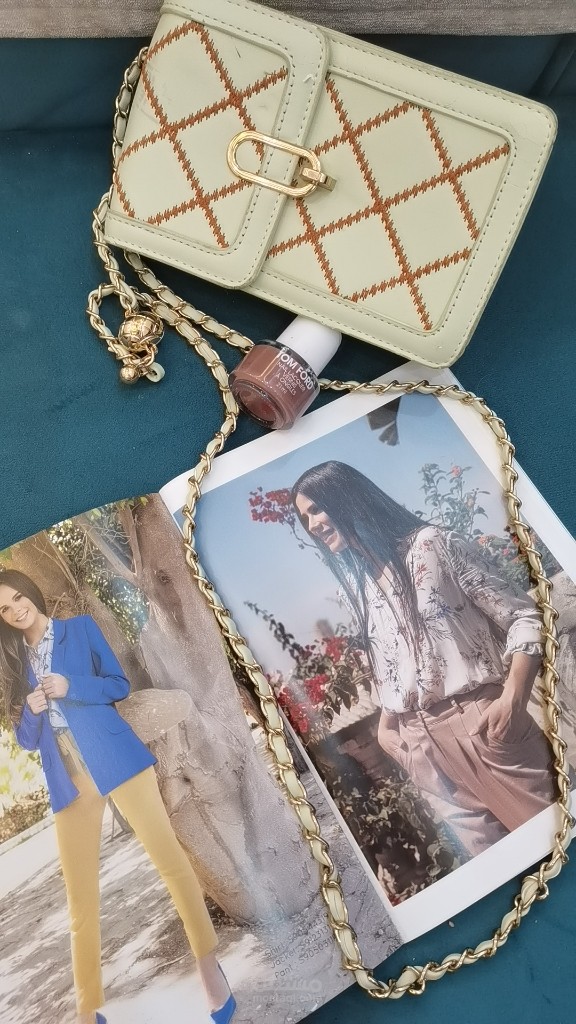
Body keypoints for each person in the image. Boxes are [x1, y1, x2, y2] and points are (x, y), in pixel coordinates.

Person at [0, 569, 236, 1024]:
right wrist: (30, 711)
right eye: (4, 610)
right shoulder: (13, 662)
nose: (15, 611)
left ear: (30, 592)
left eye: (17, 599)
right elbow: (27, 741)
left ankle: (210, 969)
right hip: (69, 780)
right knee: (79, 900)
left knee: (170, 863)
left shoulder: (80, 629)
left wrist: (72, 687)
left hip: (116, 757)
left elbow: (118, 684)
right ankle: (88, 1011)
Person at [291, 461, 556, 857]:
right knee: (503, 870)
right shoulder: (357, 587)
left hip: (484, 727)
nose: (312, 525)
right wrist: (387, 730)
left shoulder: (432, 546)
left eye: (316, 509)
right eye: (304, 518)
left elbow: (523, 616)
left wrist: (513, 699)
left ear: (345, 497)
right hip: (421, 750)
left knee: (556, 842)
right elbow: (395, 666)